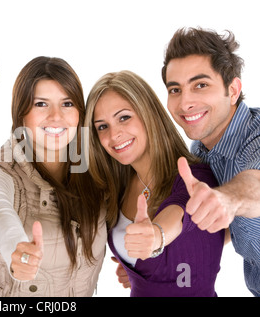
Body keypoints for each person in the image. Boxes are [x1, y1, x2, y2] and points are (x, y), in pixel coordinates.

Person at [0, 56, 107, 296]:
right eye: (41, 104)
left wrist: (134, 263)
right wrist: (15, 250)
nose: (56, 116)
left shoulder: (95, 167)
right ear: (21, 113)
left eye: (67, 103)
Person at [84, 70, 225, 296]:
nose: (114, 135)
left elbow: (180, 213)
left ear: (148, 113)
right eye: (102, 126)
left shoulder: (194, 177)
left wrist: (156, 236)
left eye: (124, 117)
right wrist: (135, 269)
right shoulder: (117, 188)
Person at [162, 27, 260, 297]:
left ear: (233, 90)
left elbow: (254, 186)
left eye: (200, 85)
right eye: (175, 89)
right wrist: (153, 258)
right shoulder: (201, 150)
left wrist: (228, 199)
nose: (185, 102)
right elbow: (220, 226)